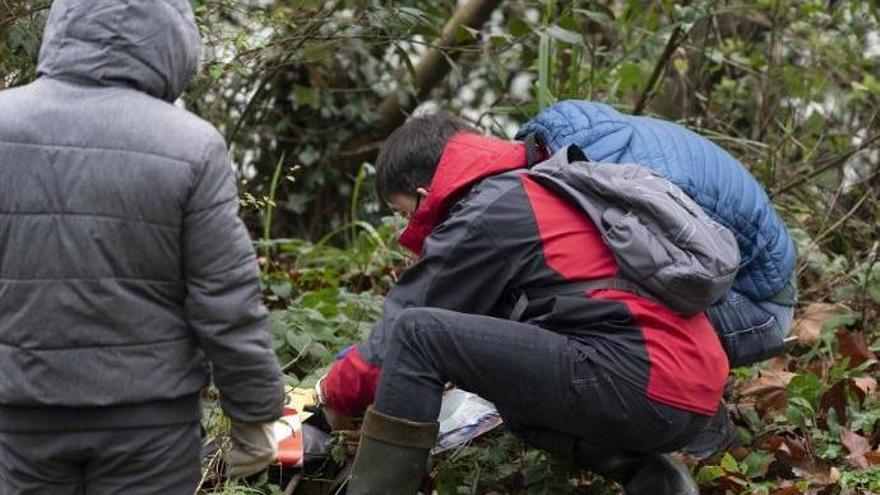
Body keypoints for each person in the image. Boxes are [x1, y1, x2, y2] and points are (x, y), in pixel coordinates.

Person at [317, 113, 730, 494]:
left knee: (416, 334)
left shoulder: (488, 210)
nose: (404, 227)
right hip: (685, 394)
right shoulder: (536, 190)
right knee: (515, 399)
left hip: (642, 383)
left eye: (401, 212)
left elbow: (399, 336)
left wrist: (330, 399)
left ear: (423, 194)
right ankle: (659, 480)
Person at [0, 0, 284, 493]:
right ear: (172, 42)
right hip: (149, 426)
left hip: (19, 417)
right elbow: (226, 299)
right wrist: (254, 415)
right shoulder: (192, 146)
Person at [518, 100, 799, 457]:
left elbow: (688, 281)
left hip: (759, 303)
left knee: (611, 316)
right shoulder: (576, 142)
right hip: (735, 282)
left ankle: (705, 440)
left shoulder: (621, 177)